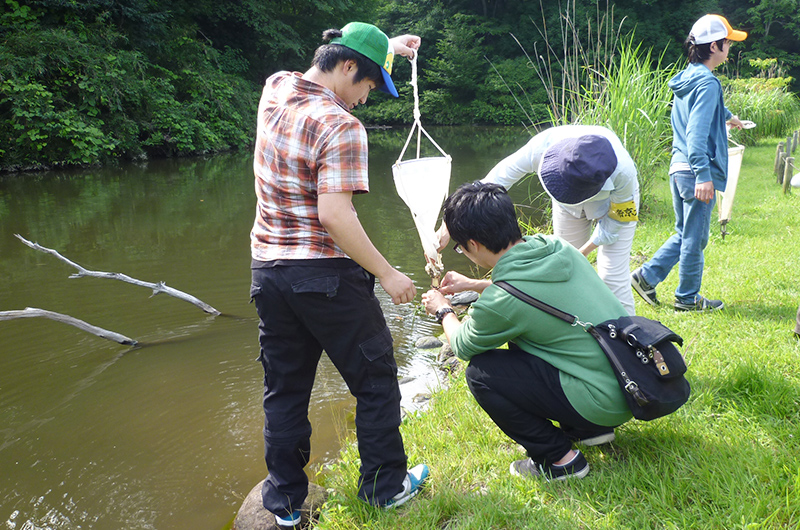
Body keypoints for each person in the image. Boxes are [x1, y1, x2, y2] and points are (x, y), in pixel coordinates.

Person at [249, 22, 427, 528]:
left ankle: (284, 505)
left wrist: (386, 49)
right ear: (349, 68)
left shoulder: (276, 87)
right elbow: (334, 215)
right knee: (375, 380)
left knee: (285, 389)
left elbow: (345, 55)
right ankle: (383, 489)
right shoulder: (342, 126)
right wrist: (389, 273)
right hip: (324, 275)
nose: (366, 99)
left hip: (269, 271)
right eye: (369, 85)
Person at [422, 181, 632, 482]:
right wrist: (473, 284)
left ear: (474, 245)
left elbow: (463, 345)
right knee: (531, 338)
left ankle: (560, 460)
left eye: (460, 247)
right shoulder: (555, 247)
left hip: (600, 401)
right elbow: (527, 294)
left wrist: (444, 309)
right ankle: (589, 430)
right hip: (627, 384)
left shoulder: (503, 301)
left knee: (481, 374)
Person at [436, 125, 639, 315]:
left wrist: (580, 253)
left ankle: (633, 344)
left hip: (611, 208)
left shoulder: (624, 172)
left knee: (613, 276)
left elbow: (615, 224)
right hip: (566, 207)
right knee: (564, 274)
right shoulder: (543, 146)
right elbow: (492, 182)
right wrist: (448, 226)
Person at [631, 14, 747, 312]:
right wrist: (704, 175)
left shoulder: (688, 78)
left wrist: (729, 117)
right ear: (714, 46)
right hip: (695, 171)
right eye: (728, 43)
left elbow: (704, 109)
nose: (730, 48)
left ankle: (645, 278)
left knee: (685, 234)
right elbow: (696, 133)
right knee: (695, 239)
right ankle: (687, 298)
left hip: (678, 167)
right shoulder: (708, 83)